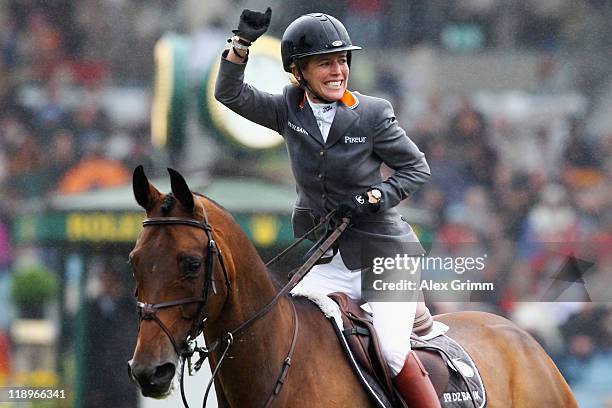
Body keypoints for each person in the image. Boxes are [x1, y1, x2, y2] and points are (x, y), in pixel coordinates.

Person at [215, 9, 439, 407]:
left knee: (390, 351)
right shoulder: (288, 108)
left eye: (342, 61)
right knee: (286, 330)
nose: (338, 71)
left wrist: (375, 197)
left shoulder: (372, 113)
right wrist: (241, 45)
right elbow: (229, 94)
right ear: (298, 72)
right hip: (328, 259)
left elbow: (415, 167)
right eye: (325, 63)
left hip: (385, 257)